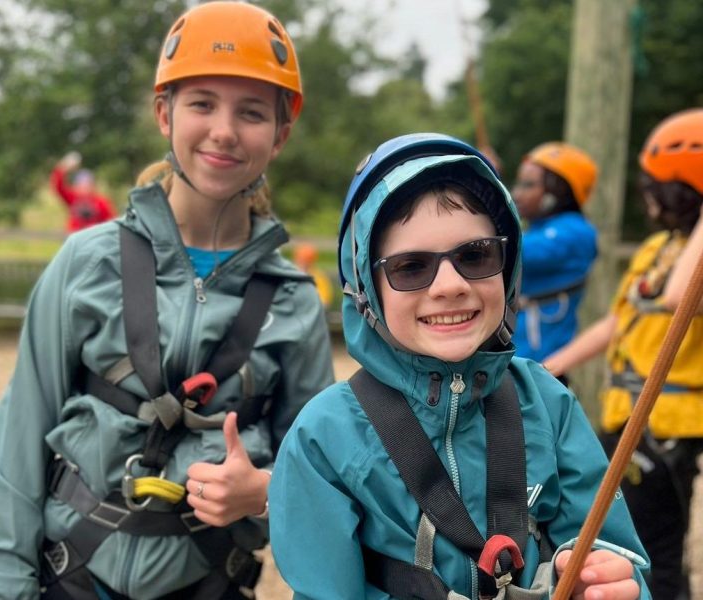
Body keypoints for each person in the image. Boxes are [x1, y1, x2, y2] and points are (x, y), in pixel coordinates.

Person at [0, 2, 335, 598]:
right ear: (164, 113)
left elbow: (323, 479)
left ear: (280, 134)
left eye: (251, 112)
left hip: (210, 583)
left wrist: (263, 493)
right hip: (70, 577)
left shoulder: (292, 303)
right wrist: (1, 586)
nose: (224, 130)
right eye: (201, 104)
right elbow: (20, 435)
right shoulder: (87, 264)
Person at [269, 133, 650, 599]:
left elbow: (618, 554)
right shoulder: (324, 439)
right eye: (410, 267)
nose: (450, 285)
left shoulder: (551, 407)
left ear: (505, 267)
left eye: (475, 255)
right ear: (367, 290)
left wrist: (617, 584)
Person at [543, 108, 703, 600]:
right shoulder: (658, 246)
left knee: (659, 549)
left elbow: (679, 296)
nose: (647, 194)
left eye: (657, 183)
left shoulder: (695, 259)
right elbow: (619, 320)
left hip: (668, 427)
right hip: (625, 414)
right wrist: (556, 365)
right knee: (622, 541)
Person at [511, 143, 598, 377]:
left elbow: (509, 251)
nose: (516, 193)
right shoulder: (537, 229)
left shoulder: (576, 232)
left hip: (542, 371)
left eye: (528, 185)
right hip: (519, 364)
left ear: (555, 192)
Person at [50, 151, 118, 232]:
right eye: (81, 184)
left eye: (87, 184)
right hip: (74, 238)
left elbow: (111, 221)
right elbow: (58, 186)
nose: (84, 187)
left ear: (93, 185)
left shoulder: (100, 201)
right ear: (76, 186)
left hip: (93, 239)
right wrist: (63, 167)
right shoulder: (72, 198)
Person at [293, 242, 334, 308]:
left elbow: (325, 301)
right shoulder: (290, 275)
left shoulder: (319, 278)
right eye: (300, 259)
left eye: (305, 260)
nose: (302, 263)